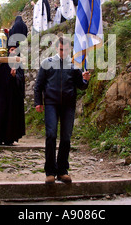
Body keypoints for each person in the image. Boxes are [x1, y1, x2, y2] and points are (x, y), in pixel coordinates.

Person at [34, 37, 90, 184]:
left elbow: (81, 86)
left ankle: (62, 171)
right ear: (56, 49)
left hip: (68, 106)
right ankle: (50, 171)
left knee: (66, 138)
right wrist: (38, 102)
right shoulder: (47, 63)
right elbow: (38, 85)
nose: (63, 52)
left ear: (69, 50)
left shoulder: (74, 66)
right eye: (60, 49)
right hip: (51, 104)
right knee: (51, 135)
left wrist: (86, 80)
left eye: (65, 49)